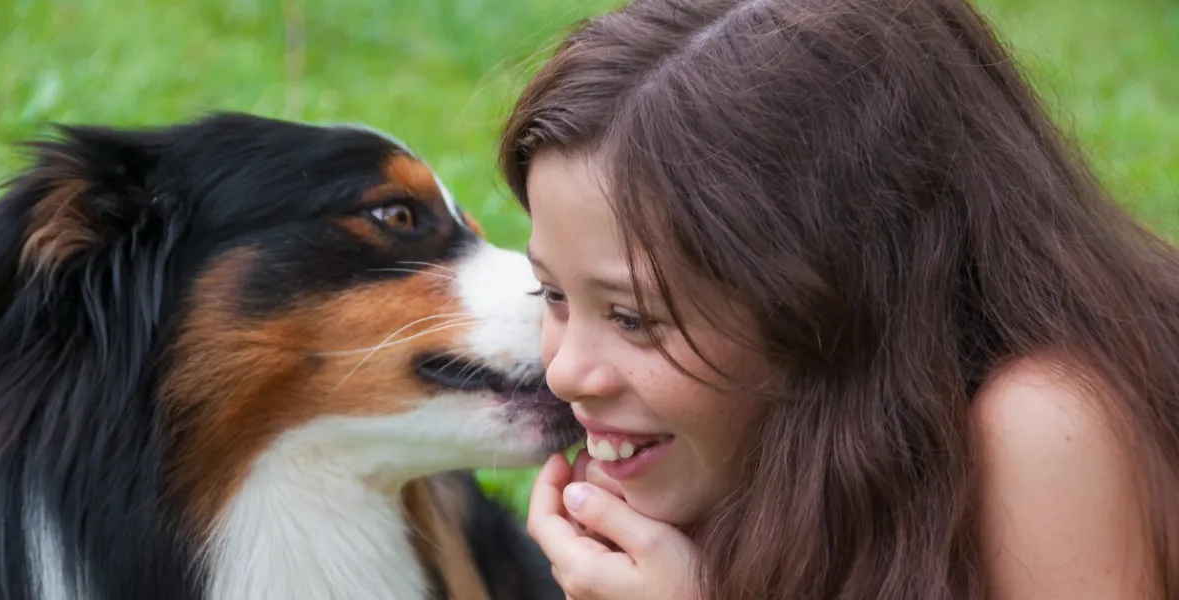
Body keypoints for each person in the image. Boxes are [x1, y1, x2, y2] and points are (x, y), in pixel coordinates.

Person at [496, 0, 1179, 598]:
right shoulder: (765, 446)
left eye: (632, 318)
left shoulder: (1043, 422)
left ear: (828, 303)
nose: (565, 372)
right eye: (552, 293)